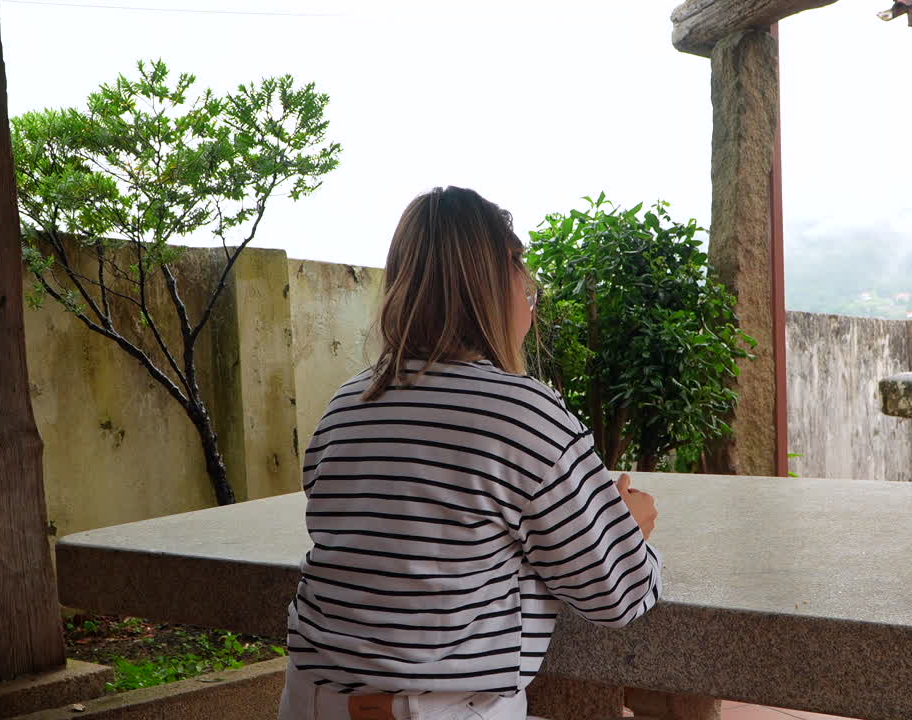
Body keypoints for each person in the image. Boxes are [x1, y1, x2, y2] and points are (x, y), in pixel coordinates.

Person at [279, 186, 661, 720]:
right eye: (521, 271)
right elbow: (616, 594)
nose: (530, 291)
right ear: (495, 284)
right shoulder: (523, 412)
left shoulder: (347, 403)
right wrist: (627, 523)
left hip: (309, 701)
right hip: (443, 709)